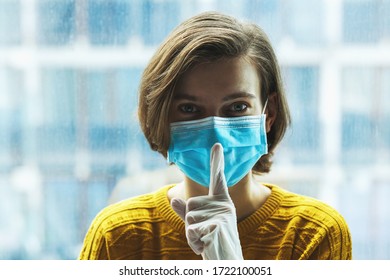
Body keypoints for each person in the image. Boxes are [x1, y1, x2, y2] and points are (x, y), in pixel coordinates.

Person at [79, 11, 352, 260]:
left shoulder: (315, 233)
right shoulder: (117, 236)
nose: (215, 132)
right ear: (162, 118)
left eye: (237, 107)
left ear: (269, 114)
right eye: (189, 108)